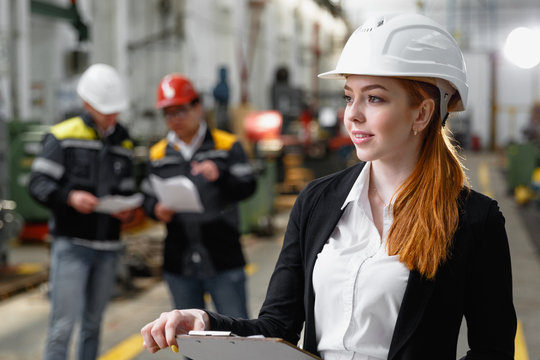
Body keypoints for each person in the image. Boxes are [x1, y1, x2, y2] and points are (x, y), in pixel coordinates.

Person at [140, 13, 517, 359]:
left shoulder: (473, 220)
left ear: (421, 113)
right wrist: (207, 324)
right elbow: (277, 327)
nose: (352, 114)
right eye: (349, 97)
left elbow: (493, 350)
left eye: (374, 98)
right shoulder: (316, 202)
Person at [28, 63, 136, 360]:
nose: (111, 117)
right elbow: (37, 183)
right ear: (87, 104)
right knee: (62, 326)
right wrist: (69, 197)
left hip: (108, 247)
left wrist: (126, 211)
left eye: (115, 110)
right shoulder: (62, 136)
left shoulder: (123, 141)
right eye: (105, 110)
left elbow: (127, 189)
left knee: (93, 324)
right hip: (72, 245)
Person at [140, 74, 256, 319]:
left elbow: (248, 186)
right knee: (190, 340)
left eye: (180, 111)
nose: (174, 120)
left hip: (223, 257)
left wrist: (220, 175)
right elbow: (147, 196)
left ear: (197, 107)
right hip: (179, 262)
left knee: (238, 336)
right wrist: (155, 209)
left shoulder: (226, 146)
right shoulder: (157, 154)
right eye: (168, 114)